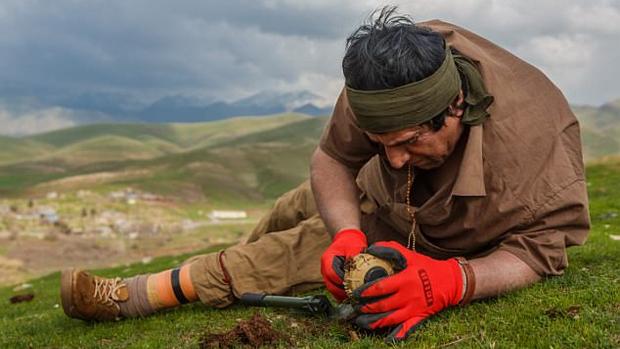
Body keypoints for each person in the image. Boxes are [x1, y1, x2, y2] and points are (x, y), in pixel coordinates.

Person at [60, 7, 590, 343]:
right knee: (287, 211)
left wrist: (455, 281)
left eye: (411, 142)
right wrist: (348, 235)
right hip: (371, 200)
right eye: (384, 145)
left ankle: (131, 295)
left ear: (454, 105)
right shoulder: (385, 76)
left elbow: (540, 252)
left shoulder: (536, 146)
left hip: (440, 241)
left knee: (272, 257)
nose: (398, 157)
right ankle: (227, 283)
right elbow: (334, 160)